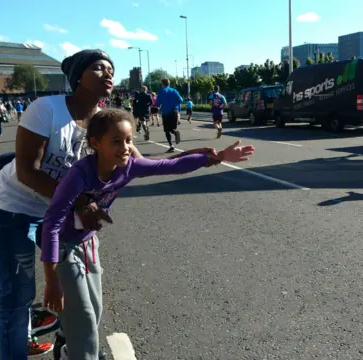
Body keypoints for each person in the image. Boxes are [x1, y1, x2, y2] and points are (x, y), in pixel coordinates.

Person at [0, 49, 220, 359]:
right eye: (98, 68)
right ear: (78, 76)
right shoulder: (47, 109)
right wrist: (80, 201)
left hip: (62, 212)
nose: (108, 73)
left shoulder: (105, 121)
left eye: (111, 68)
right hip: (11, 208)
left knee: (81, 293)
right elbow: (28, 171)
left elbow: (142, 164)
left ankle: (72, 345)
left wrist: (194, 157)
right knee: (19, 296)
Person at [40, 108, 255, 360]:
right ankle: (79, 352)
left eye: (129, 140)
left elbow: (170, 165)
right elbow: (52, 223)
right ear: (96, 143)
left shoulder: (129, 166)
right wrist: (51, 280)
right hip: (65, 248)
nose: (126, 147)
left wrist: (215, 157)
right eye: (116, 141)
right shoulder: (79, 175)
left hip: (88, 243)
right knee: (84, 318)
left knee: (93, 311)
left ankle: (68, 343)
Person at [0, 152, 57, 356]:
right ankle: (24, 337)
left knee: (63, 273)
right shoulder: (1, 172)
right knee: (17, 294)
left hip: (37, 214)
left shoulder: (55, 158)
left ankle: (49, 329)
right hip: (10, 218)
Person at [156, 78, 183, 152]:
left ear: (162, 84)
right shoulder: (174, 91)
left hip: (166, 112)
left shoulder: (162, 91)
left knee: (167, 130)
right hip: (174, 111)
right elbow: (181, 100)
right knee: (172, 128)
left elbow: (157, 103)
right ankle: (175, 132)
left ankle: (171, 146)